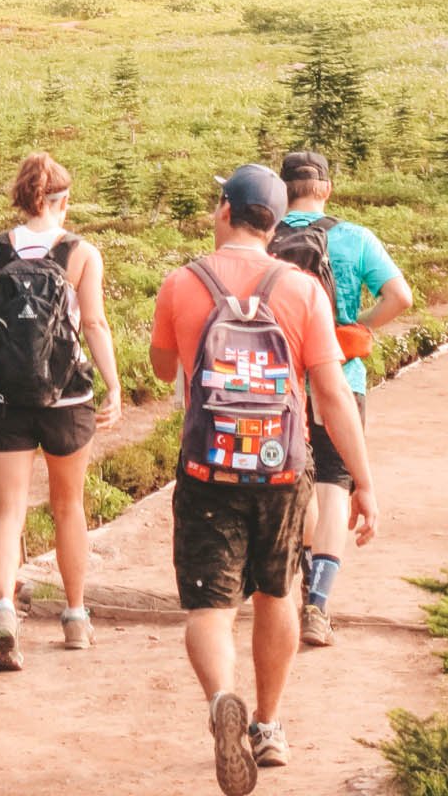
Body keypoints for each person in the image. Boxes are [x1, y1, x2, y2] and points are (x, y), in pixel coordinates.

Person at [151, 164, 378, 793]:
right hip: (283, 469)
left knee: (208, 605)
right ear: (275, 224)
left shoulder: (181, 282)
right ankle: (269, 725)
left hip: (207, 466)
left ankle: (223, 697)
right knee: (277, 595)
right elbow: (331, 395)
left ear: (225, 209)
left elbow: (162, 365)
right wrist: (363, 482)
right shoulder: (303, 290)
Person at [0, 150, 122, 673]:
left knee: (7, 513)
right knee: (67, 508)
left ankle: (5, 612)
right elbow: (94, 326)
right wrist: (114, 385)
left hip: (4, 398)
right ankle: (75, 618)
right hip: (67, 399)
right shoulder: (81, 254)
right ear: (61, 201)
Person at [276, 148, 412, 648]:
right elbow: (402, 295)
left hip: (279, 385)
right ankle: (316, 605)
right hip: (341, 380)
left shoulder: (265, 238)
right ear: (326, 189)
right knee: (334, 488)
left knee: (297, 484)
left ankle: (290, 589)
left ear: (281, 188)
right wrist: (359, 327)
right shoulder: (355, 237)